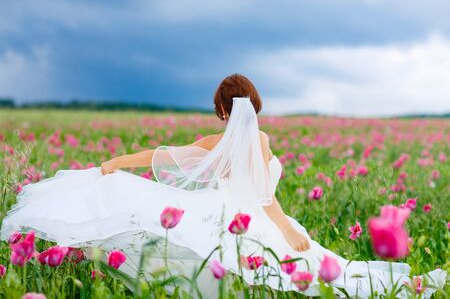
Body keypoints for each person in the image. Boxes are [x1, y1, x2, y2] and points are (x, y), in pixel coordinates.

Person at [1, 74, 446, 297]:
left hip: (226, 212)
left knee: (191, 244)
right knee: (308, 268)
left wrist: (114, 163)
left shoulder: (215, 142)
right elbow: (264, 198)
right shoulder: (263, 140)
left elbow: (162, 154)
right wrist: (290, 230)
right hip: (254, 217)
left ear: (221, 108)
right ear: (254, 104)